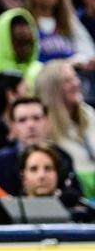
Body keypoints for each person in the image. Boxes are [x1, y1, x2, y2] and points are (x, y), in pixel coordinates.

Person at [0, 97, 82, 200]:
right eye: (22, 120)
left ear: (47, 122)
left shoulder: (63, 157)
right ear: (13, 126)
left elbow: (76, 197)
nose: (31, 125)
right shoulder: (0, 162)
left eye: (36, 118)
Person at [34, 60, 95, 198]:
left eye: (75, 77)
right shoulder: (43, 124)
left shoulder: (89, 113)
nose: (76, 83)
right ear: (52, 90)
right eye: (67, 81)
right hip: (72, 194)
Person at [25, 0, 95, 67]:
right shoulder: (23, 20)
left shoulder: (70, 21)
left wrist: (73, 62)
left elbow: (89, 53)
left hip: (69, 74)